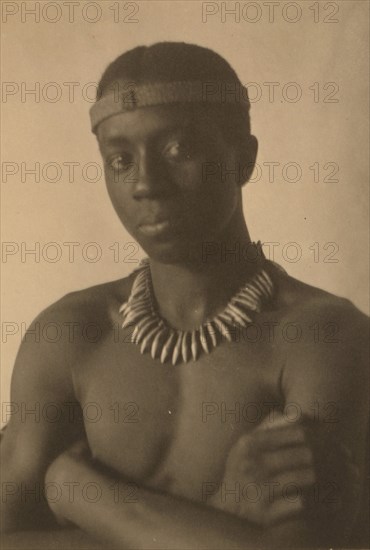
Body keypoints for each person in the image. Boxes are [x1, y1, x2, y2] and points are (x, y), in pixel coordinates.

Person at [1, 42, 368, 549]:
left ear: (243, 159)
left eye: (179, 150)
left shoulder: (322, 336)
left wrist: (82, 494)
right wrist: (218, 518)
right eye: (121, 160)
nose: (147, 183)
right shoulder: (68, 335)